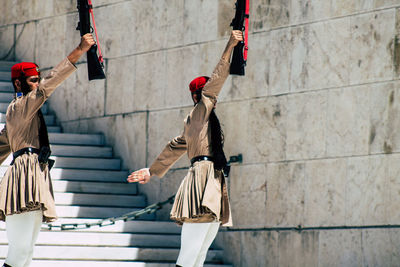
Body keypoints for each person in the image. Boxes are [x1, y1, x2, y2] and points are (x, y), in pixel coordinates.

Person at [127, 30, 243, 267]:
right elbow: (217, 78)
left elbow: (176, 144)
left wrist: (152, 170)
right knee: (191, 252)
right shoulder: (200, 111)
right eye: (208, 94)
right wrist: (230, 46)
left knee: (199, 252)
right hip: (202, 180)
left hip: (211, 179)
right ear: (200, 95)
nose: (214, 98)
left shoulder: (200, 121)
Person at [0, 33, 95, 267]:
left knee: (27, 251)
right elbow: (52, 81)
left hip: (35, 175)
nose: (37, 83)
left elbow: (2, 144)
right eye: (33, 80)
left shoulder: (21, 113)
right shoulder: (22, 104)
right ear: (18, 84)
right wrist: (80, 50)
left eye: (37, 79)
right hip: (24, 177)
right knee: (20, 251)